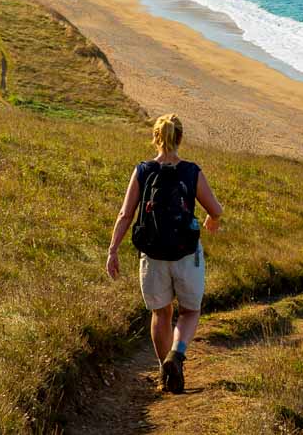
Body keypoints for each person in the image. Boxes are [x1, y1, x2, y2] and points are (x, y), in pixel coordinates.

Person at [106, 113, 223, 394]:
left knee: (160, 313)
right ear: (180, 138)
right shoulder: (191, 171)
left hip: (153, 255)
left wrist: (113, 251)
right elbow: (216, 209)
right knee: (189, 311)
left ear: (156, 137)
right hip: (186, 255)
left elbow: (125, 214)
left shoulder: (143, 170)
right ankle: (177, 355)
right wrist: (212, 220)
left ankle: (165, 371)